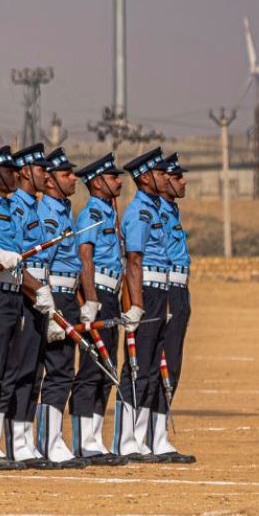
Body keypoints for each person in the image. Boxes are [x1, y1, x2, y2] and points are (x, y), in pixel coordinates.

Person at [0, 146, 54, 469]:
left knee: (9, 371)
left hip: (15, 292)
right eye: (9, 170)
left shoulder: (12, 209)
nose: (16, 174)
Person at [69, 154, 129, 466]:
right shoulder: (91, 212)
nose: (119, 181)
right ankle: (83, 440)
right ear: (97, 182)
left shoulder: (108, 212)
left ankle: (95, 438)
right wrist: (90, 301)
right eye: (113, 177)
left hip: (112, 293)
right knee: (93, 367)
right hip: (99, 294)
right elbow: (85, 257)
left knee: (108, 369)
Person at [112, 148, 172, 462]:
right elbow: (134, 260)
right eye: (160, 173)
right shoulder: (139, 212)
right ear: (146, 177)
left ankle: (141, 436)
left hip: (158, 290)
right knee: (136, 369)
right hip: (145, 290)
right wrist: (136, 304)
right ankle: (126, 438)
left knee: (150, 368)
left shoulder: (157, 209)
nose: (166, 178)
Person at [31, 148, 88, 468]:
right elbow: (45, 264)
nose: (73, 178)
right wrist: (52, 310)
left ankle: (50, 438)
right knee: (57, 369)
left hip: (67, 295)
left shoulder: (63, 210)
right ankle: (48, 441)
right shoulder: (50, 215)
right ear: (50, 181)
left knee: (61, 369)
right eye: (66, 174)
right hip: (54, 296)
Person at [2, 143, 56, 469]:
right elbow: (15, 261)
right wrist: (34, 291)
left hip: (40, 293)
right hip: (25, 294)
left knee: (35, 371)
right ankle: (15, 439)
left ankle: (25, 436)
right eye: (41, 170)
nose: (45, 175)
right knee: (20, 370)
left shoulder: (35, 208)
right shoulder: (16, 209)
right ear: (25, 171)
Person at [152, 153, 196, 464]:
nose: (183, 182)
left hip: (180, 289)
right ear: (164, 179)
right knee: (158, 363)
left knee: (173, 365)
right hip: (165, 289)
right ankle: (149, 436)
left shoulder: (171, 211)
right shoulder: (154, 212)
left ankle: (157, 432)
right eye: (177, 176)